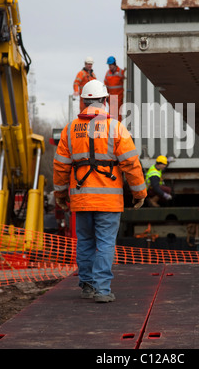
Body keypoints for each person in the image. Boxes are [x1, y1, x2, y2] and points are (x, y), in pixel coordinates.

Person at [53, 79, 147, 302]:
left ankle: (86, 286)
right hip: (108, 201)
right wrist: (139, 193)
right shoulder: (116, 127)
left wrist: (60, 194)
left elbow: (60, 166)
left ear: (84, 102)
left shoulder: (69, 130)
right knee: (105, 243)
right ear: (105, 101)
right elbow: (131, 164)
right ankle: (102, 290)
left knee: (85, 241)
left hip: (81, 198)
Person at [104, 56, 125, 121]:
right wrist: (106, 96)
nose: (110, 66)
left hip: (119, 97)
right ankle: (112, 129)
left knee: (118, 115)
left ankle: (117, 129)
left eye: (111, 65)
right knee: (112, 115)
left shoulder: (121, 72)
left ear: (114, 64)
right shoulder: (108, 73)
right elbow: (105, 85)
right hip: (111, 98)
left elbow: (125, 83)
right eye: (109, 65)